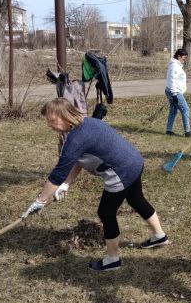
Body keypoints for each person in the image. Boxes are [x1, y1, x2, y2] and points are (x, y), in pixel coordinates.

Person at [24, 98, 169, 273]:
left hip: (121, 172)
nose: (49, 124)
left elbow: (58, 173)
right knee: (136, 199)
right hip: (135, 161)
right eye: (47, 120)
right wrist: (66, 184)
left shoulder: (76, 139)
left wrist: (40, 200)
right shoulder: (86, 123)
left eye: (52, 120)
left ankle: (112, 259)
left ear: (64, 115)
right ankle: (159, 236)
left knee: (106, 213)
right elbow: (77, 161)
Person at [165, 46, 191, 136]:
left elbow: (176, 78)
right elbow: (172, 79)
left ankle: (169, 130)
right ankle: (187, 132)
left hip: (172, 91)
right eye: (184, 58)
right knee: (185, 109)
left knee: (173, 110)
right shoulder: (174, 66)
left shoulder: (175, 65)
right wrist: (174, 94)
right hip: (174, 92)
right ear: (179, 56)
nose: (185, 60)